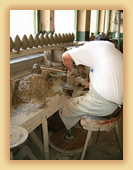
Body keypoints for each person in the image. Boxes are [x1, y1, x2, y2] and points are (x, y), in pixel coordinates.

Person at [59, 35, 123, 130]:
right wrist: (87, 84)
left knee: (68, 105)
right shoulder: (118, 53)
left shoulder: (94, 46)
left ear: (95, 42)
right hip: (119, 104)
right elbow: (109, 78)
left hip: (104, 105)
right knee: (82, 96)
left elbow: (65, 57)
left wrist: (71, 70)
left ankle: (60, 127)